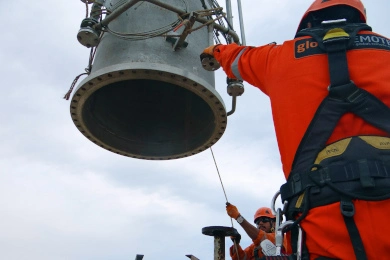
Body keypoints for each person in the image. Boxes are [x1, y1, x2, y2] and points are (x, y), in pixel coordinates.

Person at [201, 0, 390, 259]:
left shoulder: (278, 59)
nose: (263, 225)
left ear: (307, 23)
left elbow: (237, 58)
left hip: (323, 231)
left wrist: (215, 49)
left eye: (264, 222)